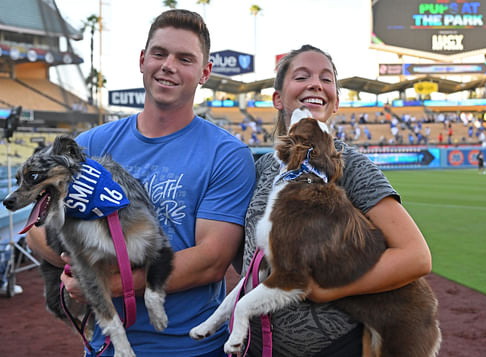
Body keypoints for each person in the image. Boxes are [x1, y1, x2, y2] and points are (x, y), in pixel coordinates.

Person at [26, 9, 255, 357]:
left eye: (185, 58)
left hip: (191, 348)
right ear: (142, 59)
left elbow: (211, 259)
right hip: (107, 346)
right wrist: (75, 263)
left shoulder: (227, 154)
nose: (168, 66)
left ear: (205, 72)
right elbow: (36, 227)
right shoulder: (91, 145)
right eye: (159, 54)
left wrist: (107, 285)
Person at [239, 44, 432, 356]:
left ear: (337, 102)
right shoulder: (259, 168)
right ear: (277, 98)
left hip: (335, 346)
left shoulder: (349, 164)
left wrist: (326, 291)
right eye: (302, 76)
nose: (316, 84)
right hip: (258, 346)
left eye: (326, 80)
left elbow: (416, 256)